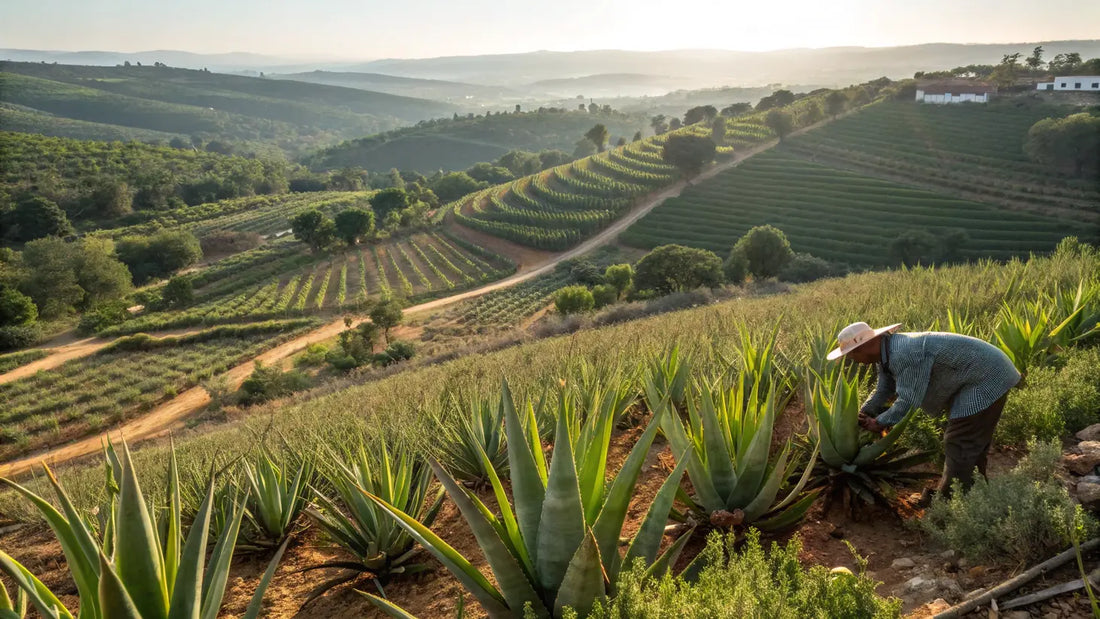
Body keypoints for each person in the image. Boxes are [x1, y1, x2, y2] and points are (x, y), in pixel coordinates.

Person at [827, 321, 1021, 508]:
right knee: (972, 441)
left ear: (865, 346)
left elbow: (908, 399)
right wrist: (865, 412)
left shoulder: (903, 353)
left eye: (851, 355)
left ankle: (947, 503)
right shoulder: (887, 353)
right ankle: (975, 492)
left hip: (987, 377)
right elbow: (884, 389)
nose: (852, 360)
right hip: (980, 374)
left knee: (960, 440)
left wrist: (880, 422)